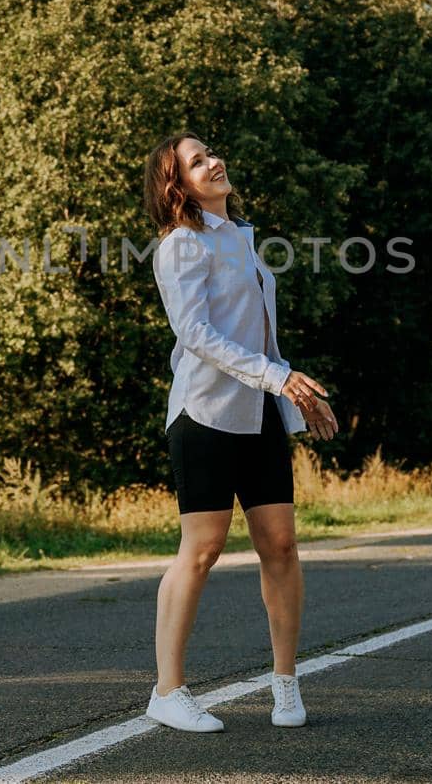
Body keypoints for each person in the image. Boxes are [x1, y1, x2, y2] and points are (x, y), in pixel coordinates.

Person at [140, 130, 340, 733]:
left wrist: (290, 395)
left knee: (279, 544)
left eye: (211, 153)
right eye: (197, 161)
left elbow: (258, 333)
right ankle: (168, 691)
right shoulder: (180, 246)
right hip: (203, 416)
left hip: (257, 417)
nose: (213, 161)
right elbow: (196, 334)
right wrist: (279, 378)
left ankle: (285, 684)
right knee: (201, 550)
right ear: (178, 183)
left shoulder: (244, 240)